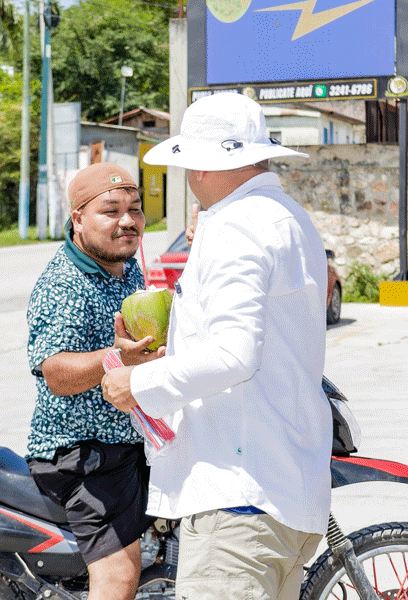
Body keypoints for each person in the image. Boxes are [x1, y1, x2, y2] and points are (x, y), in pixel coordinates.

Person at [101, 92, 334, 600]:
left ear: (203, 166)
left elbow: (233, 355)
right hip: (285, 491)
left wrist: (137, 382)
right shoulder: (289, 217)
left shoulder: (236, 226)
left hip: (238, 498)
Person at [25, 162, 163, 600]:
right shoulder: (64, 283)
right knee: (120, 574)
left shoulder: (127, 268)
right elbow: (55, 372)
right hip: (85, 454)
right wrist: (116, 357)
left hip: (132, 442)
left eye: (135, 209)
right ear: (78, 218)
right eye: (111, 211)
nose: (128, 221)